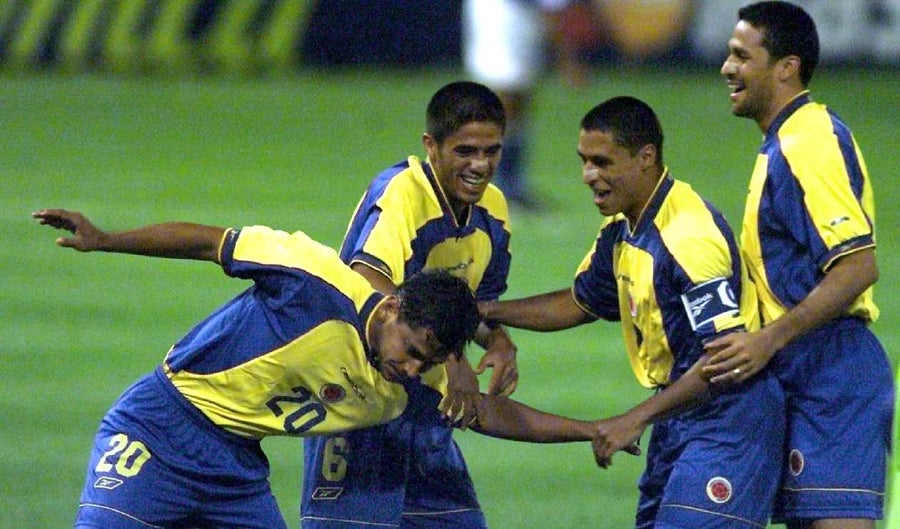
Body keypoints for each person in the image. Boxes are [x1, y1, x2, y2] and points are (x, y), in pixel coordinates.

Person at [33, 208, 604, 529]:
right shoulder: (312, 278)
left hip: (236, 471)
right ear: (393, 307)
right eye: (411, 349)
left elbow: (489, 414)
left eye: (428, 362)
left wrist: (591, 429)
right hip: (160, 429)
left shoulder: (413, 376)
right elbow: (211, 243)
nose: (410, 369)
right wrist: (106, 240)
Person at [480, 96, 786, 528]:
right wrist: (487, 311)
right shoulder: (624, 225)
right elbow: (582, 301)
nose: (589, 175)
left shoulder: (688, 238)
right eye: (584, 161)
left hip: (730, 419)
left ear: (646, 157)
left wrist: (634, 418)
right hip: (679, 412)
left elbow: (726, 358)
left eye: (602, 162)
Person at [707, 2, 893, 528]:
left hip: (831, 369)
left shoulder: (808, 141)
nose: (727, 67)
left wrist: (768, 339)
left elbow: (857, 267)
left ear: (786, 67)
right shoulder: (783, 142)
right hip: (800, 366)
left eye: (742, 56)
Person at [301, 80, 518, 528]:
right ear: (430, 146)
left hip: (424, 403)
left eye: (491, 151)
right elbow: (367, 281)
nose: (480, 165)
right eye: (465, 151)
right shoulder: (403, 191)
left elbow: (473, 307)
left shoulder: (493, 210)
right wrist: (454, 357)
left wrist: (498, 340)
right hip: (361, 395)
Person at [461, 0, 586, 210]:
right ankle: (494, 187)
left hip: (522, 15)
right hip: (502, 13)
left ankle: (510, 186)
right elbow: (552, 11)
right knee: (505, 99)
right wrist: (567, 62)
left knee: (518, 101)